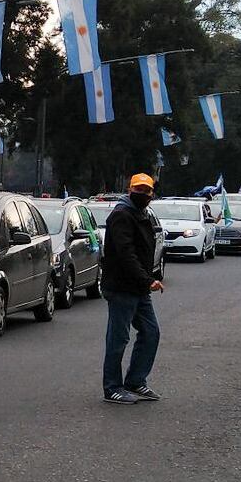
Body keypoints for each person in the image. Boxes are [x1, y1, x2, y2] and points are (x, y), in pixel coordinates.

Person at [100, 173, 165, 406]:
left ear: (152, 193)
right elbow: (125, 254)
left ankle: (135, 381)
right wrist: (147, 280)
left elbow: (143, 251)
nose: (142, 194)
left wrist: (148, 279)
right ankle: (112, 388)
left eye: (146, 190)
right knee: (118, 339)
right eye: (138, 190)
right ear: (130, 190)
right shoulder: (122, 215)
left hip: (138, 288)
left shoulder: (141, 214)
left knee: (151, 332)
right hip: (121, 287)